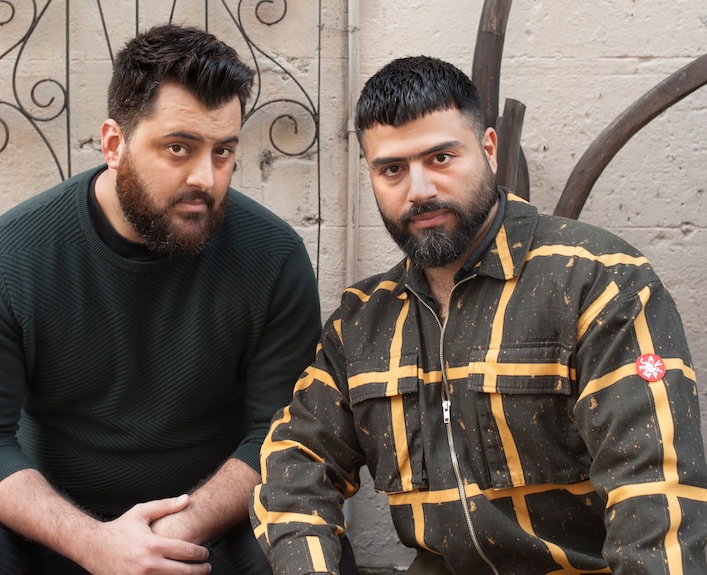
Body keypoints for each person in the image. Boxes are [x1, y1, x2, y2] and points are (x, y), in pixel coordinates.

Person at [0, 24, 358, 575]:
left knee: (307, 557)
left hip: (207, 529)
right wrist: (95, 543)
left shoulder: (271, 256)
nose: (205, 178)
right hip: (52, 526)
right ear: (114, 145)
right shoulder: (12, 254)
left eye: (224, 151)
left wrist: (168, 535)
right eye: (178, 148)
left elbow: (280, 434)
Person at [251, 55, 707, 574]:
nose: (419, 190)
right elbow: (294, 466)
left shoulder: (598, 281)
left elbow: (656, 494)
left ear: (488, 149)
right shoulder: (361, 322)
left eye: (441, 158)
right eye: (392, 169)